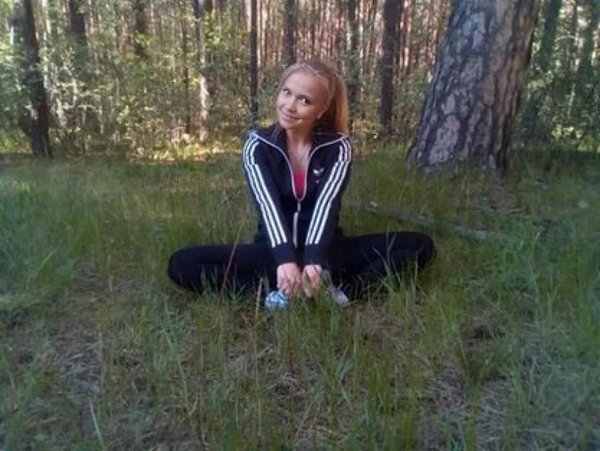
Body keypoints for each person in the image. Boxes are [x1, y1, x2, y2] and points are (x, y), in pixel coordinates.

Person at [168, 59, 435, 302]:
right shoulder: (257, 144)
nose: (290, 106)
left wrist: (313, 260)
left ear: (321, 110)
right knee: (181, 264)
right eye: (286, 92)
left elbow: (327, 205)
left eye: (304, 100)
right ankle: (273, 298)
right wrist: (285, 260)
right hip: (271, 252)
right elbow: (267, 206)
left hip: (327, 253)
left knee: (420, 246)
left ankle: (341, 295)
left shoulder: (338, 147)